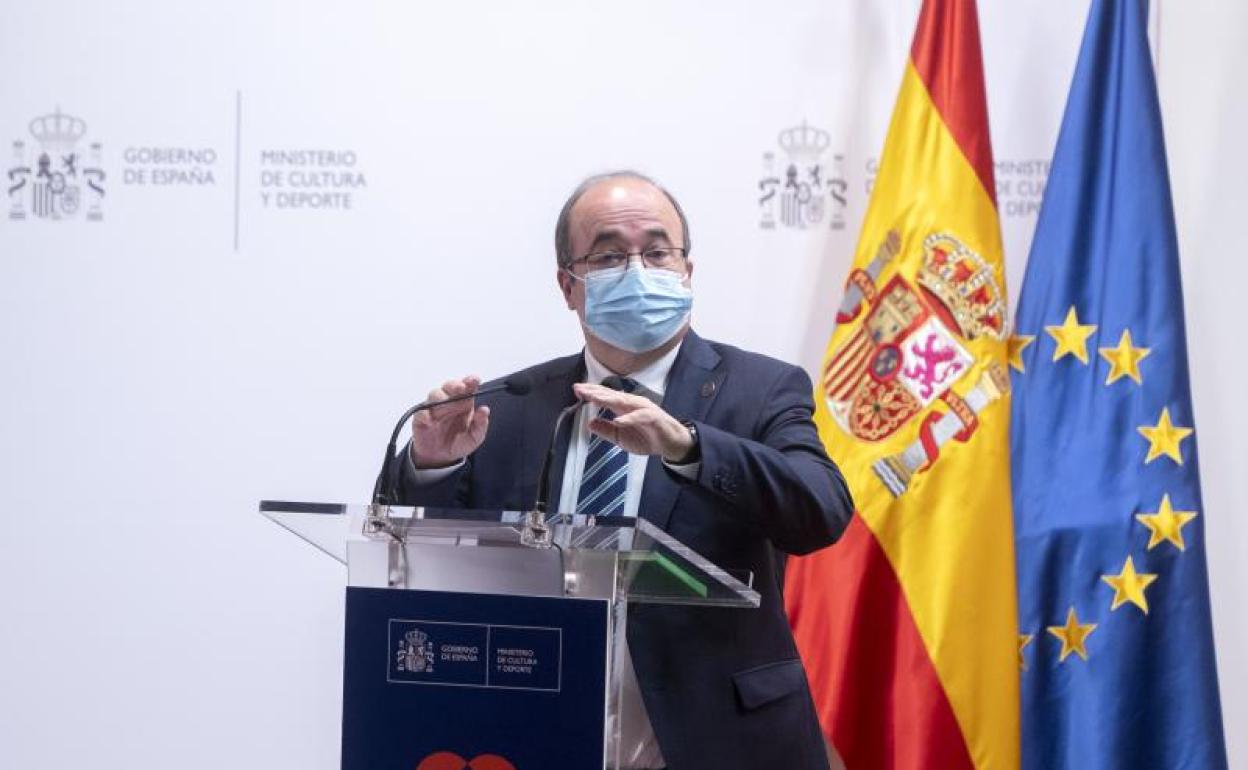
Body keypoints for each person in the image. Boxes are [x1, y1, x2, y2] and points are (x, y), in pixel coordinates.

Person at [389, 170, 853, 770]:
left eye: (658, 252)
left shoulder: (761, 390)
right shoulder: (511, 406)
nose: (639, 270)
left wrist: (687, 446)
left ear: (687, 271)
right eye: (609, 255)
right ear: (569, 285)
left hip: (718, 743)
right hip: (537, 737)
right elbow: (436, 569)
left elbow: (821, 510)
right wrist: (433, 465)